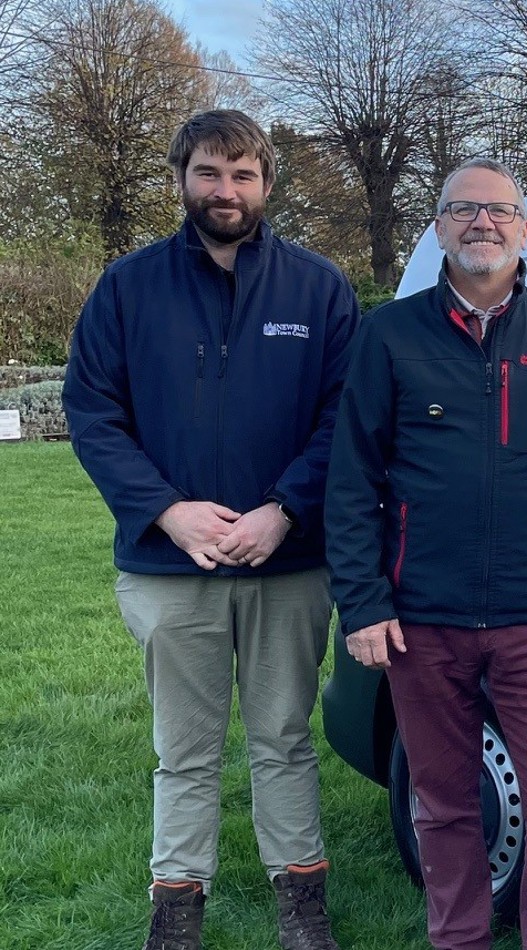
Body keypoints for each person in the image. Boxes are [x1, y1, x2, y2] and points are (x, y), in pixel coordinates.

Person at [63, 110, 357, 950]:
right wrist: (167, 510)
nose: (226, 190)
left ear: (266, 183)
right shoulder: (128, 286)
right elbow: (92, 412)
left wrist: (285, 509)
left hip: (287, 563)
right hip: (168, 566)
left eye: (242, 175)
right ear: (181, 178)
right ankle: (176, 911)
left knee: (284, 741)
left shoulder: (318, 288)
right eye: (208, 173)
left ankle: (301, 906)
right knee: (184, 751)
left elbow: (347, 416)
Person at [325, 157, 527, 950]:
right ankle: (457, 938)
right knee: (444, 801)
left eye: (498, 210)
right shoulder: (389, 335)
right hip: (421, 619)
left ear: (525, 230)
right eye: (463, 209)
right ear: (438, 228)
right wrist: (363, 604)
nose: (482, 223)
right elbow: (352, 479)